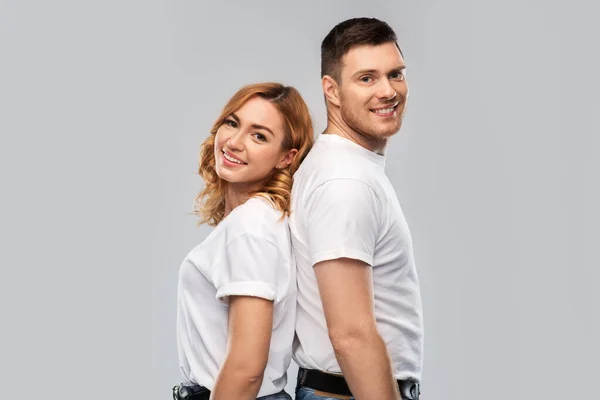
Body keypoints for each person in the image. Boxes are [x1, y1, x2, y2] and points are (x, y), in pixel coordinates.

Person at [290, 18, 424, 400]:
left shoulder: (343, 166)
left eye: (395, 74)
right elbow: (350, 334)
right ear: (331, 90)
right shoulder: (345, 181)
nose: (388, 91)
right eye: (367, 78)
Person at [173, 82, 314, 400]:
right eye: (232, 123)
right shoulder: (261, 220)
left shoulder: (250, 227)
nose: (234, 142)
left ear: (285, 158)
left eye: (259, 135)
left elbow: (247, 368)